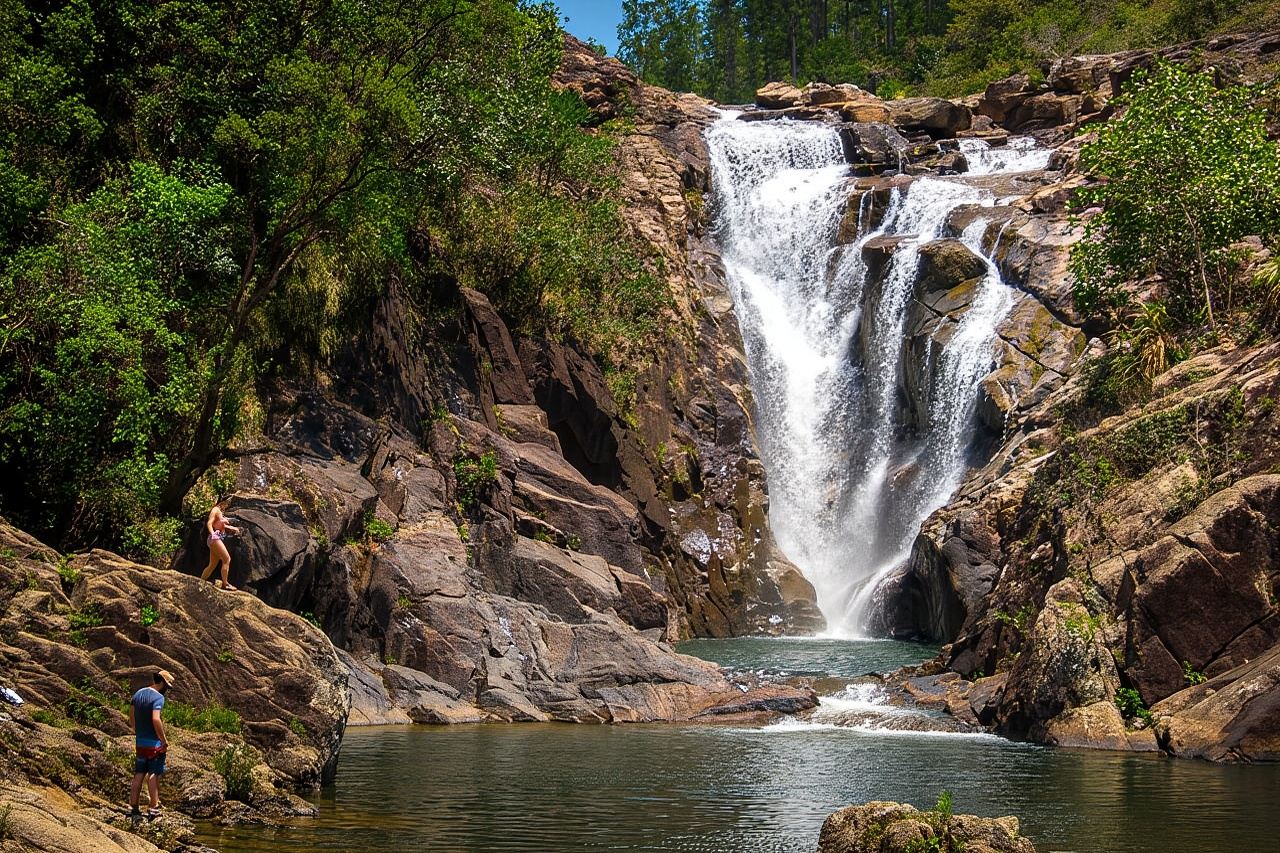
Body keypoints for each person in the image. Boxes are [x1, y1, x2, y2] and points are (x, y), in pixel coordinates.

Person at [129, 669, 173, 823]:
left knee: (139, 773)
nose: (167, 690)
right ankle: (153, 808)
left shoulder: (138, 694)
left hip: (140, 742)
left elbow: (132, 717)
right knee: (154, 774)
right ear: (162, 683)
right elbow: (156, 719)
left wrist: (138, 732)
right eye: (167, 686)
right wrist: (163, 740)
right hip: (154, 744)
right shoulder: (158, 698)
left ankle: (133, 807)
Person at [199, 499, 241, 591]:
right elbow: (209, 523)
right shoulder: (215, 510)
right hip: (214, 538)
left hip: (215, 539)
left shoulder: (220, 511)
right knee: (227, 559)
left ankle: (200, 582)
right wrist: (213, 534)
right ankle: (225, 584)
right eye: (226, 503)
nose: (227, 505)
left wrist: (232, 528)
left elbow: (219, 524)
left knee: (212, 564)